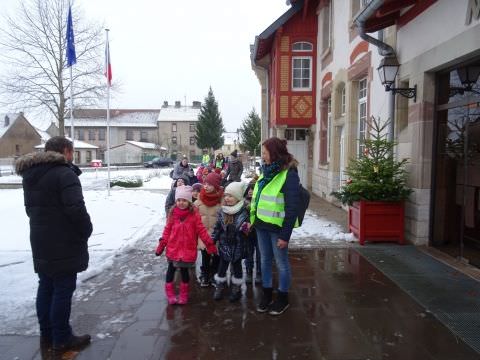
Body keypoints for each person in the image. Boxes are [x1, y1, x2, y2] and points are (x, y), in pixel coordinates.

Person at [15, 136, 93, 354]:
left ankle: (47, 334)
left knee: (46, 285)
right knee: (62, 289)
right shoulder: (64, 173)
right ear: (66, 151)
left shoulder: (30, 174)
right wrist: (86, 230)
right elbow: (76, 208)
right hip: (64, 241)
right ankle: (62, 338)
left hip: (40, 239)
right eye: (72, 152)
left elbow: (30, 209)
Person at [250, 137, 300, 315]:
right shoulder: (266, 171)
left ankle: (282, 298)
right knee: (264, 260)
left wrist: (285, 235)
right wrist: (253, 220)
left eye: (265, 153)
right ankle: (267, 294)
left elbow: (292, 207)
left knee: (281, 263)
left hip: (277, 229)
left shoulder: (289, 174)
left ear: (275, 153)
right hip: (261, 225)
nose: (262, 156)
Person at [155, 186, 217, 305]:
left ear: (189, 201)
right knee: (170, 271)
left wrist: (209, 244)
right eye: (178, 200)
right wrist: (162, 244)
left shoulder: (194, 215)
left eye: (184, 200)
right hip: (173, 248)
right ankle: (170, 294)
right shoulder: (172, 214)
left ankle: (183, 294)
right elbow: (167, 230)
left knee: (184, 272)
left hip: (187, 249)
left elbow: (201, 231)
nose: (181, 203)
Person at [212, 181, 249, 302]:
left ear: (238, 198)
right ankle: (220, 286)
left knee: (237, 268)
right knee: (222, 268)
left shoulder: (244, 212)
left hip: (238, 247)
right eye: (226, 195)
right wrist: (213, 239)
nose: (227, 198)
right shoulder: (222, 211)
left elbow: (248, 230)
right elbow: (217, 227)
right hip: (224, 246)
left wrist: (246, 230)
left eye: (230, 196)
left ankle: (236, 288)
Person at [194, 172, 223, 287]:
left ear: (215, 186)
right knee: (205, 256)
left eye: (209, 184)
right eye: (205, 183)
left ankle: (214, 275)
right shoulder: (198, 201)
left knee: (217, 256)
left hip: (217, 236)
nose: (205, 186)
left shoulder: (221, 201)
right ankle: (205, 275)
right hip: (204, 235)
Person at [243, 177, 261, 285]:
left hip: (258, 232)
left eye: (253, 188)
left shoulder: (260, 203)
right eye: (249, 189)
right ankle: (249, 272)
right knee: (249, 253)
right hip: (248, 233)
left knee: (260, 254)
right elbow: (241, 218)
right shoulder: (243, 204)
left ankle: (259, 272)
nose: (250, 191)